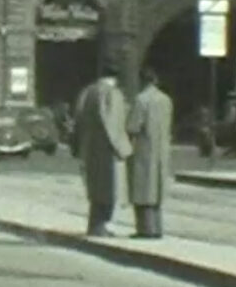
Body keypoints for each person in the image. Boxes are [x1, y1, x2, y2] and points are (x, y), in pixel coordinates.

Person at [74, 64, 132, 237]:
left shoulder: (87, 92)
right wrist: (122, 148)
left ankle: (94, 224)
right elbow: (112, 124)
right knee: (110, 190)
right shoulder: (112, 94)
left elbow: (78, 117)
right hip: (107, 151)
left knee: (95, 189)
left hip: (89, 148)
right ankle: (100, 226)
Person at [125, 66, 173, 239]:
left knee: (143, 189)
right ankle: (157, 227)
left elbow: (133, 126)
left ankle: (145, 228)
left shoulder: (141, 100)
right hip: (162, 148)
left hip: (144, 148)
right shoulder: (166, 100)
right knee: (157, 189)